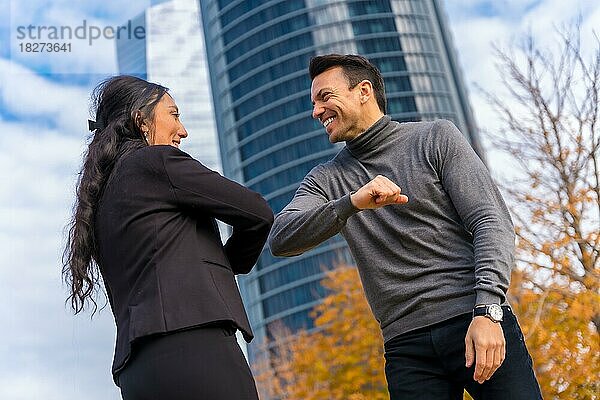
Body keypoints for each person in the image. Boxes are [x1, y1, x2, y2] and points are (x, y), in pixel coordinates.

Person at [268, 54, 542, 399]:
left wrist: (488, 308)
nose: (316, 111)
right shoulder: (326, 179)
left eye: (325, 97)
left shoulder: (435, 137)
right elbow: (281, 237)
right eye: (313, 103)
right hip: (406, 348)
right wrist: (352, 202)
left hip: (473, 318)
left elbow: (491, 221)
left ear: (363, 91)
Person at [63, 75, 273, 400]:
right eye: (173, 114)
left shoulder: (100, 199)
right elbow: (256, 211)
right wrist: (227, 267)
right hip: (194, 347)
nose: (183, 130)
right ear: (141, 120)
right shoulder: (154, 161)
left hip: (137, 370)